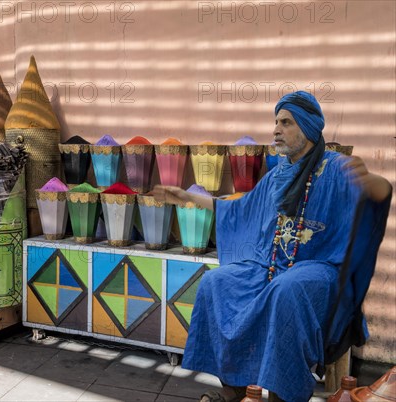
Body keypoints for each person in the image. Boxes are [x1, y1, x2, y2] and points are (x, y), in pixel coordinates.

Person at [152, 91, 392, 402]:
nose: (276, 129)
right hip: (270, 267)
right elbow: (238, 208)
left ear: (307, 128)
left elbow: (380, 189)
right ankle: (234, 389)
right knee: (216, 282)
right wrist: (185, 197)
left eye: (286, 123)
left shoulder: (334, 167)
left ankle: (283, 394)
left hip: (320, 270)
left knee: (286, 290)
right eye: (275, 122)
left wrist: (372, 183)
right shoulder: (277, 175)